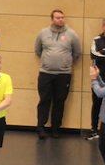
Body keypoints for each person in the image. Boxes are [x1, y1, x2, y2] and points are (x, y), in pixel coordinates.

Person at [34, 9, 81, 139]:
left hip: (63, 74)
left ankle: (55, 128)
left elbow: (77, 52)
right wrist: (47, 62)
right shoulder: (43, 33)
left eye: (62, 17)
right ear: (52, 19)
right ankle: (41, 127)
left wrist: (66, 63)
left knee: (59, 101)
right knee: (44, 100)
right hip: (46, 73)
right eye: (58, 18)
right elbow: (38, 50)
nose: (61, 20)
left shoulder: (72, 34)